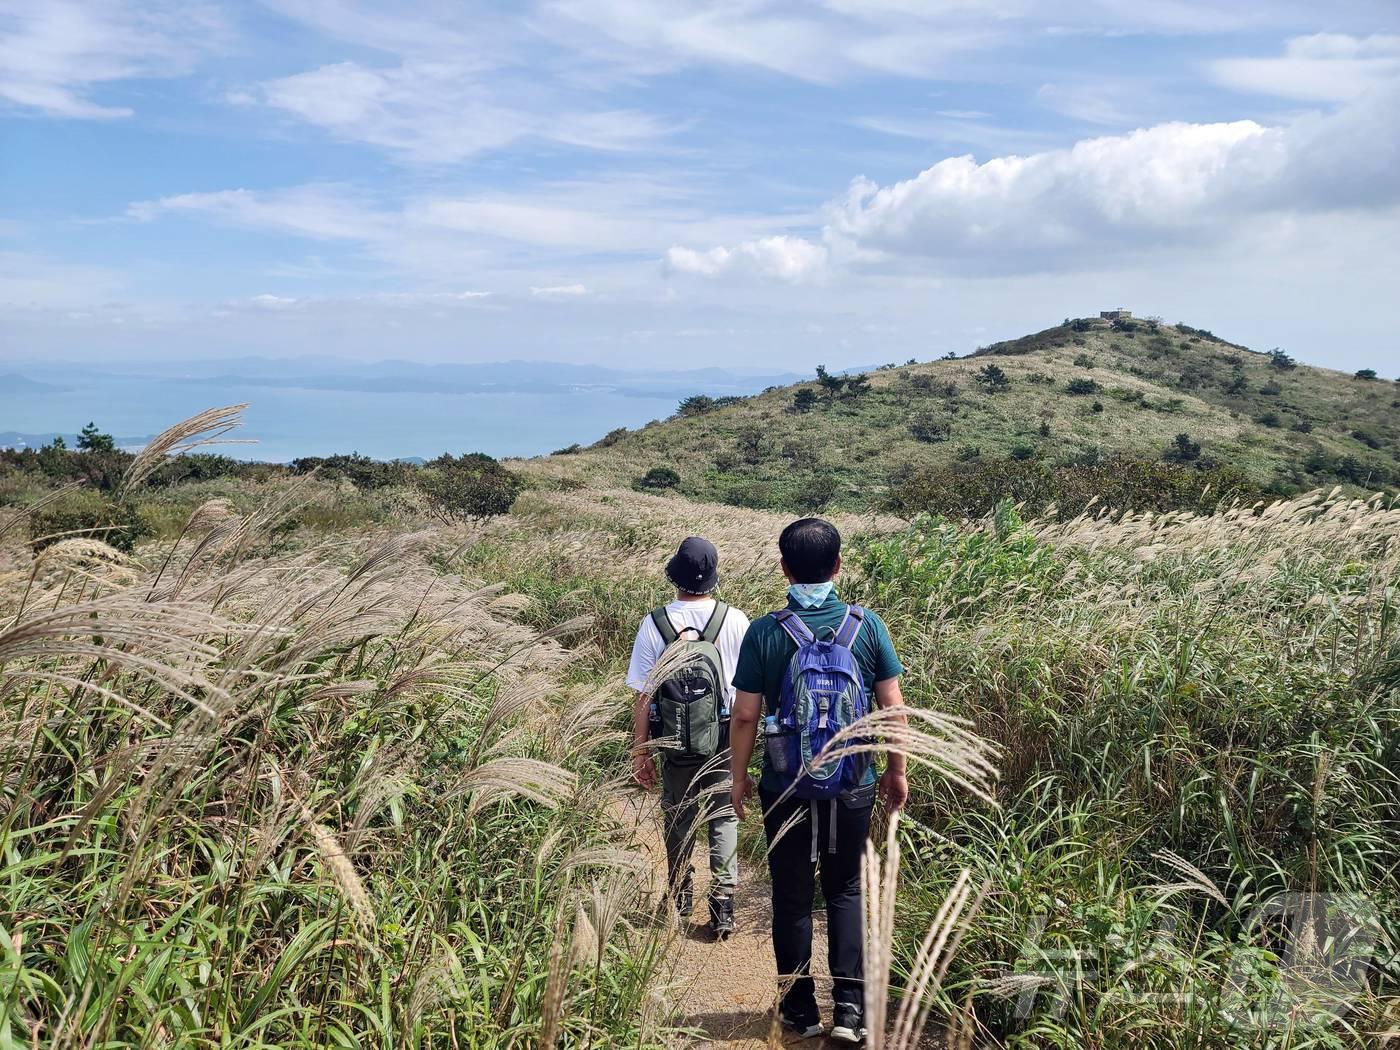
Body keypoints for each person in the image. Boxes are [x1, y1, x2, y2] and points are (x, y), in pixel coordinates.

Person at [729, 518, 908, 1045]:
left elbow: (744, 716)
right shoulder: (867, 626)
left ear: (783, 567)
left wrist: (738, 779)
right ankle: (850, 1011)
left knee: (791, 893)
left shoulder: (766, 632)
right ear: (838, 566)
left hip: (785, 781)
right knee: (847, 888)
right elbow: (892, 708)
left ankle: (800, 1010)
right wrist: (896, 771)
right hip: (854, 779)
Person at [628, 536, 751, 939]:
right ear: (714, 577)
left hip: (673, 739)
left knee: (678, 816)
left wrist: (640, 751)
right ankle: (724, 904)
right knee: (722, 816)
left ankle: (680, 893)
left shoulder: (656, 623)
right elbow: (749, 695)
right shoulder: (735, 620)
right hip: (724, 735)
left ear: (674, 577)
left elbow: (644, 696)